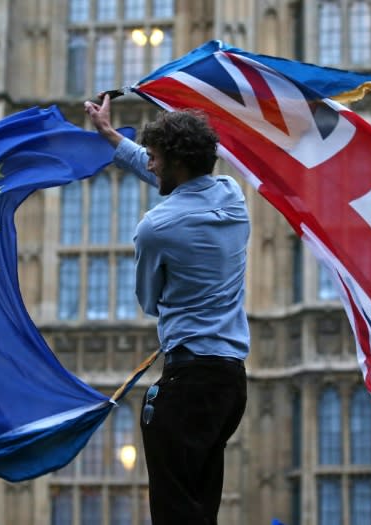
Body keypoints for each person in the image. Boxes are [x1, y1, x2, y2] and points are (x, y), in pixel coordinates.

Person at [85, 94, 250, 525]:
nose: (150, 165)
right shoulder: (233, 197)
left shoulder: (155, 228)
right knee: (201, 507)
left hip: (187, 381)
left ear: (175, 163)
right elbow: (173, 178)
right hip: (230, 383)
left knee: (175, 512)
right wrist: (111, 137)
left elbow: (148, 301)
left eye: (155, 158)